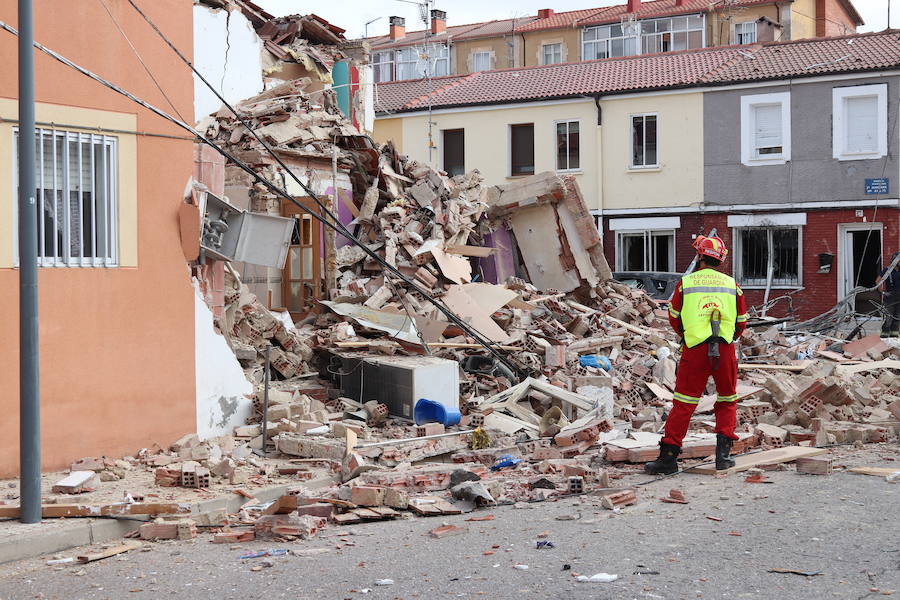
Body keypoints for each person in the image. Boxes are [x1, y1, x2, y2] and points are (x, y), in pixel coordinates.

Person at [645, 235, 748, 475]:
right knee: (727, 399)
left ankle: (668, 458)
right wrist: (729, 337)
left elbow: (674, 315)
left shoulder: (686, 283)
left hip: (695, 349)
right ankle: (723, 457)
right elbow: (741, 321)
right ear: (720, 260)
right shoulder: (733, 286)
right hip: (724, 348)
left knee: (684, 402)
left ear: (700, 256)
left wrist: (688, 335)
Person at [881, 252, 900, 337]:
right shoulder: (887, 270)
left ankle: (894, 338)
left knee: (897, 318)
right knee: (889, 318)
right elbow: (877, 281)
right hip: (890, 297)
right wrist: (883, 292)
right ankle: (884, 337)